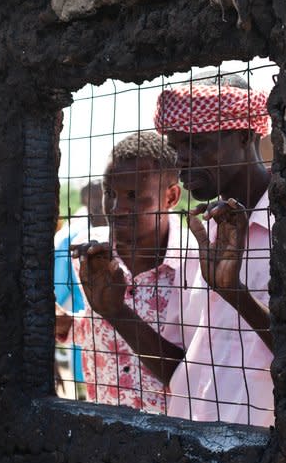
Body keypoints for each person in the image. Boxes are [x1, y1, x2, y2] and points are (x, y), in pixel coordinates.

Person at [154, 74, 275, 426]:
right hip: (190, 440)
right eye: (176, 146)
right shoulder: (200, 234)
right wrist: (114, 312)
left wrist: (233, 292)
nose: (182, 161)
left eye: (197, 144)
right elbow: (184, 357)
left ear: (243, 135)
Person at [60, 131, 199, 413]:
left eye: (134, 196)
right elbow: (100, 332)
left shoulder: (194, 264)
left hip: (174, 438)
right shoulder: (89, 256)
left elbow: (197, 372)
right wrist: (65, 326)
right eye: (110, 194)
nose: (117, 208)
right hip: (100, 428)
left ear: (171, 196)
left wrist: (117, 311)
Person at [54, 180, 106, 399]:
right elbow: (59, 288)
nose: (99, 203)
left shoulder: (125, 232)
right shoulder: (72, 236)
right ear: (85, 199)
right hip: (81, 322)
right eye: (94, 198)